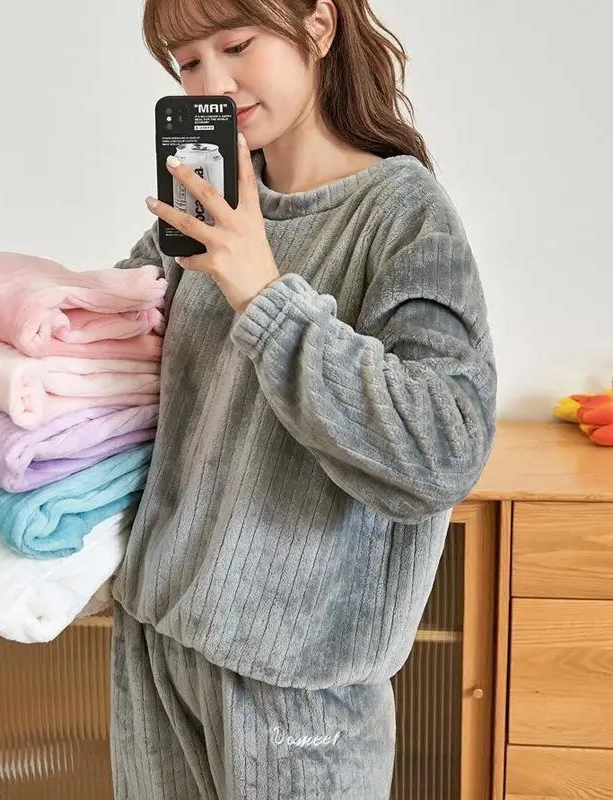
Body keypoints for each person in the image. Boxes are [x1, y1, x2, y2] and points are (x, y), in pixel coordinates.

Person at [108, 0, 497, 797]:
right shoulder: (211, 204)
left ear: (318, 26)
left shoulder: (402, 214)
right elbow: (113, 352)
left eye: (236, 44)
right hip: (155, 643)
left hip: (299, 692)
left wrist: (263, 292)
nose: (212, 83)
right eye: (187, 63)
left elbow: (441, 451)